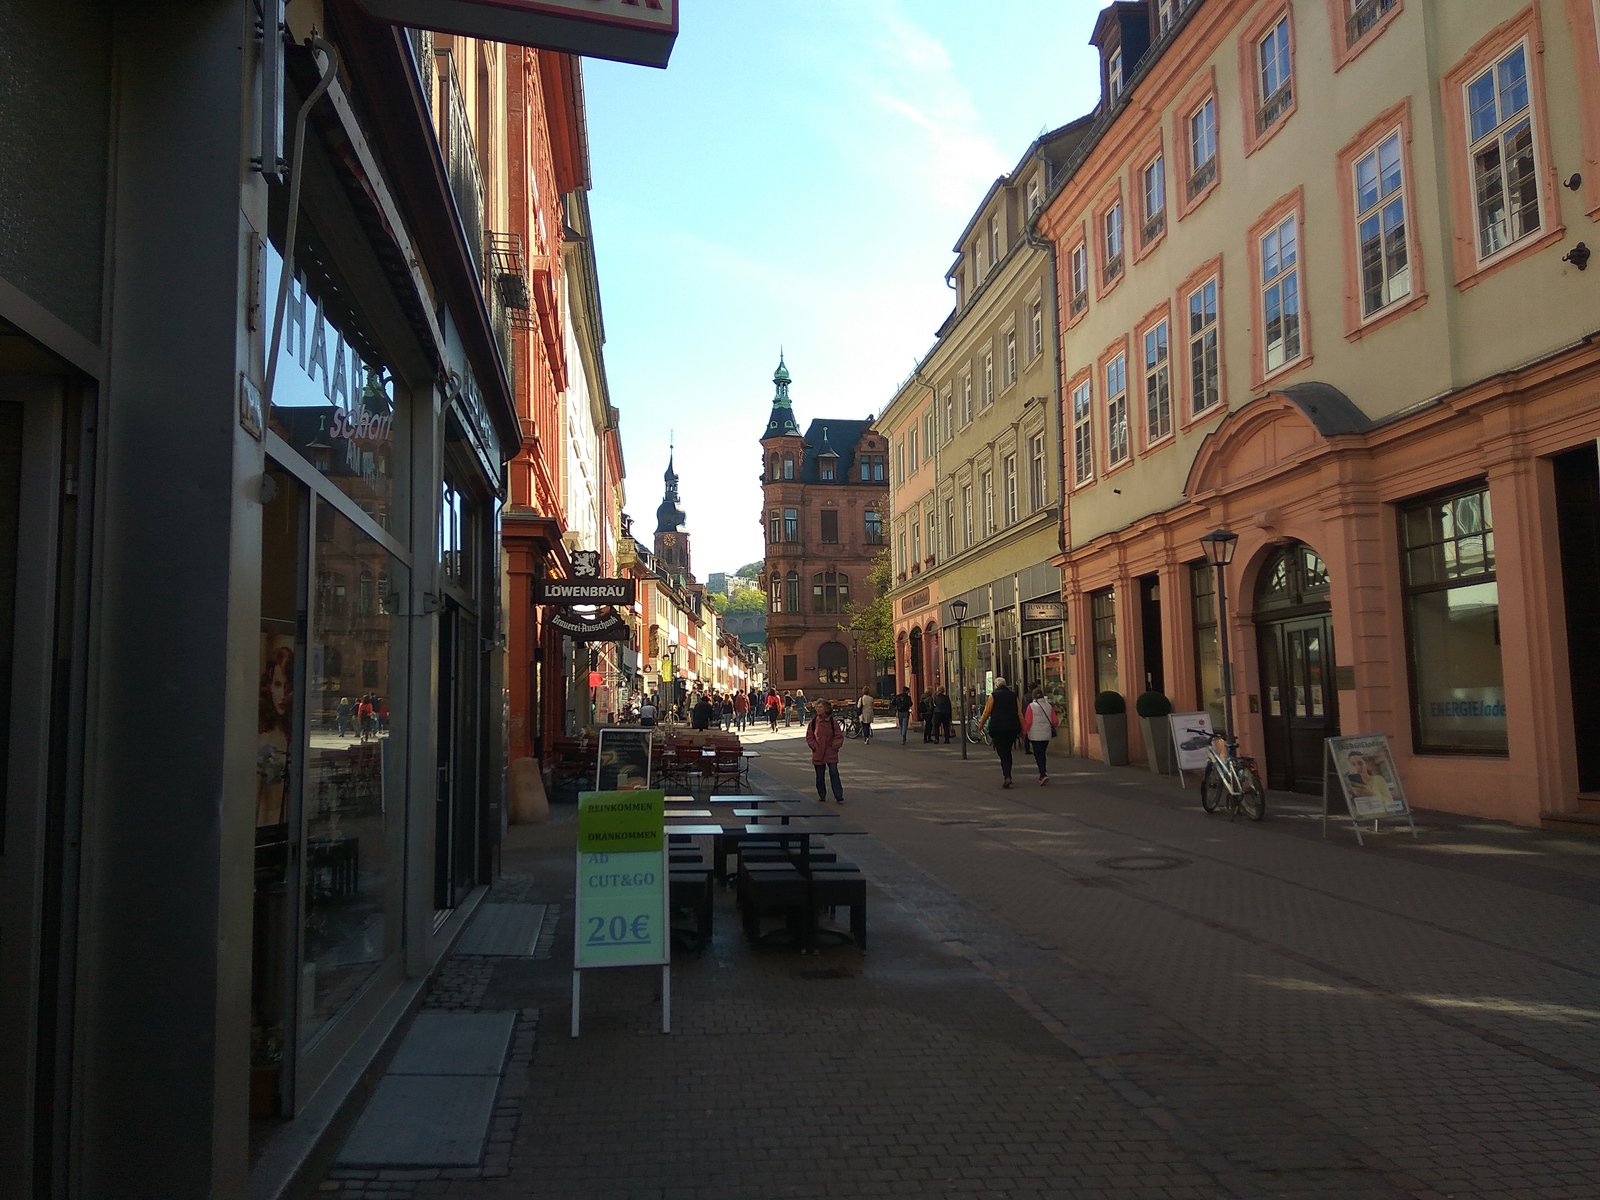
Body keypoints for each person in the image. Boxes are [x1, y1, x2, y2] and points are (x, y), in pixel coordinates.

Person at [256, 645, 294, 827]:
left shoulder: (292, 732)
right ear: (269, 686)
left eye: (288, 686)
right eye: (278, 685)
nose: (282, 695)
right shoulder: (264, 739)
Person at [980, 677, 1024, 787]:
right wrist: (1023, 727)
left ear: (996, 686)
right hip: (1011, 728)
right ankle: (1008, 774)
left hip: (998, 728)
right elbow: (1019, 712)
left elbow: (987, 711)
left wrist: (981, 723)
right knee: (1007, 751)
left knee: (1002, 752)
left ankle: (1007, 776)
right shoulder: (1013, 696)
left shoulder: (993, 696)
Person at [806, 699, 846, 804]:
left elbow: (838, 736)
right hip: (818, 752)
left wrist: (834, 746)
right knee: (820, 776)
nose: (818, 709)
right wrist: (814, 746)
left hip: (830, 751)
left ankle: (838, 795)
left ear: (826, 709)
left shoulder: (833, 722)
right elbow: (809, 737)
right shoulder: (814, 723)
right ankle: (822, 794)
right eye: (817, 707)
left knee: (834, 773)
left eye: (820, 707)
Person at [1021, 686, 1058, 784]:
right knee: (1042, 753)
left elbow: (1028, 722)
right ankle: (1043, 772)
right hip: (1046, 734)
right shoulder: (1049, 706)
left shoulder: (1031, 706)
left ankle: (1042, 774)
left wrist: (1023, 732)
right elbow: (1055, 721)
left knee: (1038, 754)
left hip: (1035, 734)